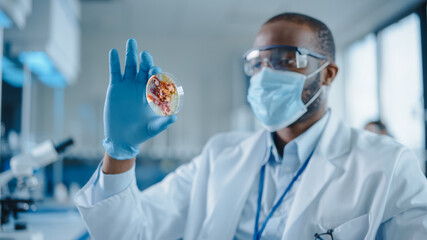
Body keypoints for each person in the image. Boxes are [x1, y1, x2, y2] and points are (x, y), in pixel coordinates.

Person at [75, 13, 427, 240]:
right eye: (256, 64)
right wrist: (118, 152)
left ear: (328, 74)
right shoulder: (219, 156)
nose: (264, 76)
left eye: (285, 60)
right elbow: (130, 232)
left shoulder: (388, 166)